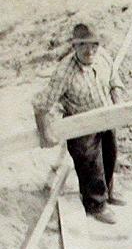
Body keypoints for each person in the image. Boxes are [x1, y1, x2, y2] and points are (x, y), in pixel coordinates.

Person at [33, 23, 126, 224]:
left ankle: (108, 192)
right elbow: (41, 104)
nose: (90, 50)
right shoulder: (64, 72)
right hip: (81, 126)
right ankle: (96, 205)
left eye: (94, 44)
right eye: (83, 45)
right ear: (74, 46)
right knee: (91, 165)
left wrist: (118, 103)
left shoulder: (103, 57)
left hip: (106, 116)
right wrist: (44, 132)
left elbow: (114, 80)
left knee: (109, 155)